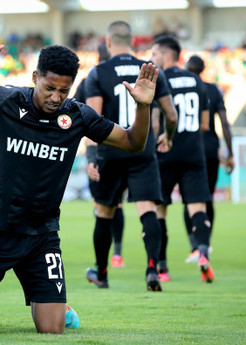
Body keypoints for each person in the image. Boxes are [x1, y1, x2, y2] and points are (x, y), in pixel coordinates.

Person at [0, 18, 161, 334]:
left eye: (63, 91)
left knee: (52, 330)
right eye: (49, 88)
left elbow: (133, 143)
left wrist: (142, 108)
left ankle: (56, 303)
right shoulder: (3, 100)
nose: (55, 97)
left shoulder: (78, 116)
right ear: (35, 77)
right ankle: (47, 300)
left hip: (41, 237)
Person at [83, 21, 178, 292]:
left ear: (108, 42)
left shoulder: (98, 73)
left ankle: (101, 274)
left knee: (104, 212)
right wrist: (168, 136)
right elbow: (171, 115)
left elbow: (92, 120)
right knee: (147, 209)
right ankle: (152, 268)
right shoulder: (149, 69)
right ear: (133, 42)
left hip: (110, 151)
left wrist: (91, 157)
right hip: (143, 149)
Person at [150, 35, 214, 283]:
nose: (152, 58)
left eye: (155, 53)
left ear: (166, 55)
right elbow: (206, 124)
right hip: (194, 153)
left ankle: (163, 268)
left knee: (160, 210)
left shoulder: (160, 80)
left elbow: (155, 122)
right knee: (198, 208)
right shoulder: (198, 81)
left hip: (166, 151)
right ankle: (203, 253)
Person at [75, 42, 126, 268]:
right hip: (131, 149)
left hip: (103, 151)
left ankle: (102, 267)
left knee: (103, 207)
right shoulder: (131, 75)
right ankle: (118, 253)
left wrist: (91, 158)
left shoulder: (91, 79)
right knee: (121, 205)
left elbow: (77, 113)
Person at [183, 55, 235, 263]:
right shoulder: (213, 89)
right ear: (203, 69)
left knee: (189, 201)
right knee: (206, 199)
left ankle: (194, 247)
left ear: (187, 69)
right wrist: (230, 153)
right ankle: (206, 244)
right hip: (210, 150)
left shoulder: (180, 87)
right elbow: (224, 122)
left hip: (188, 148)